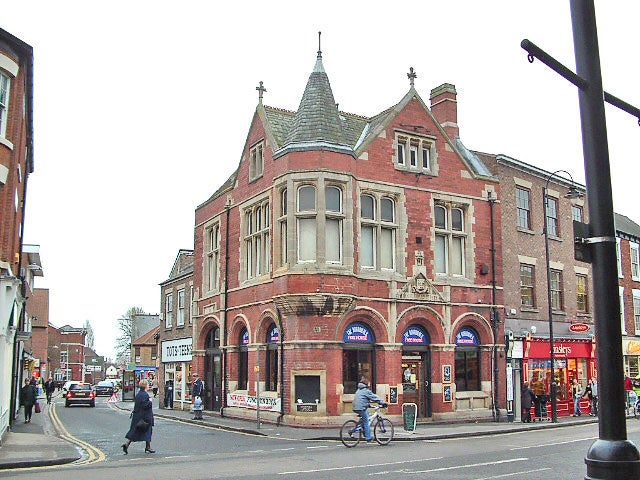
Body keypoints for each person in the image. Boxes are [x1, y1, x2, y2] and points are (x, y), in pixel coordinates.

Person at [122, 380, 155, 454]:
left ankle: (127, 445)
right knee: (148, 431)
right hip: (145, 417)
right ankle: (148, 447)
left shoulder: (138, 394)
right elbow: (145, 406)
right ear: (145, 386)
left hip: (137, 417)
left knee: (135, 432)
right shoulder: (145, 395)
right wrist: (150, 401)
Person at [352, 377, 387, 442]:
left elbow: (362, 400)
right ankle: (368, 437)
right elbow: (374, 397)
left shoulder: (359, 390)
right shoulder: (366, 391)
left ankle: (359, 428)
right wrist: (382, 402)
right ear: (366, 384)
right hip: (361, 408)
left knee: (366, 414)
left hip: (356, 407)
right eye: (368, 383)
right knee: (366, 422)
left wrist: (369, 405)